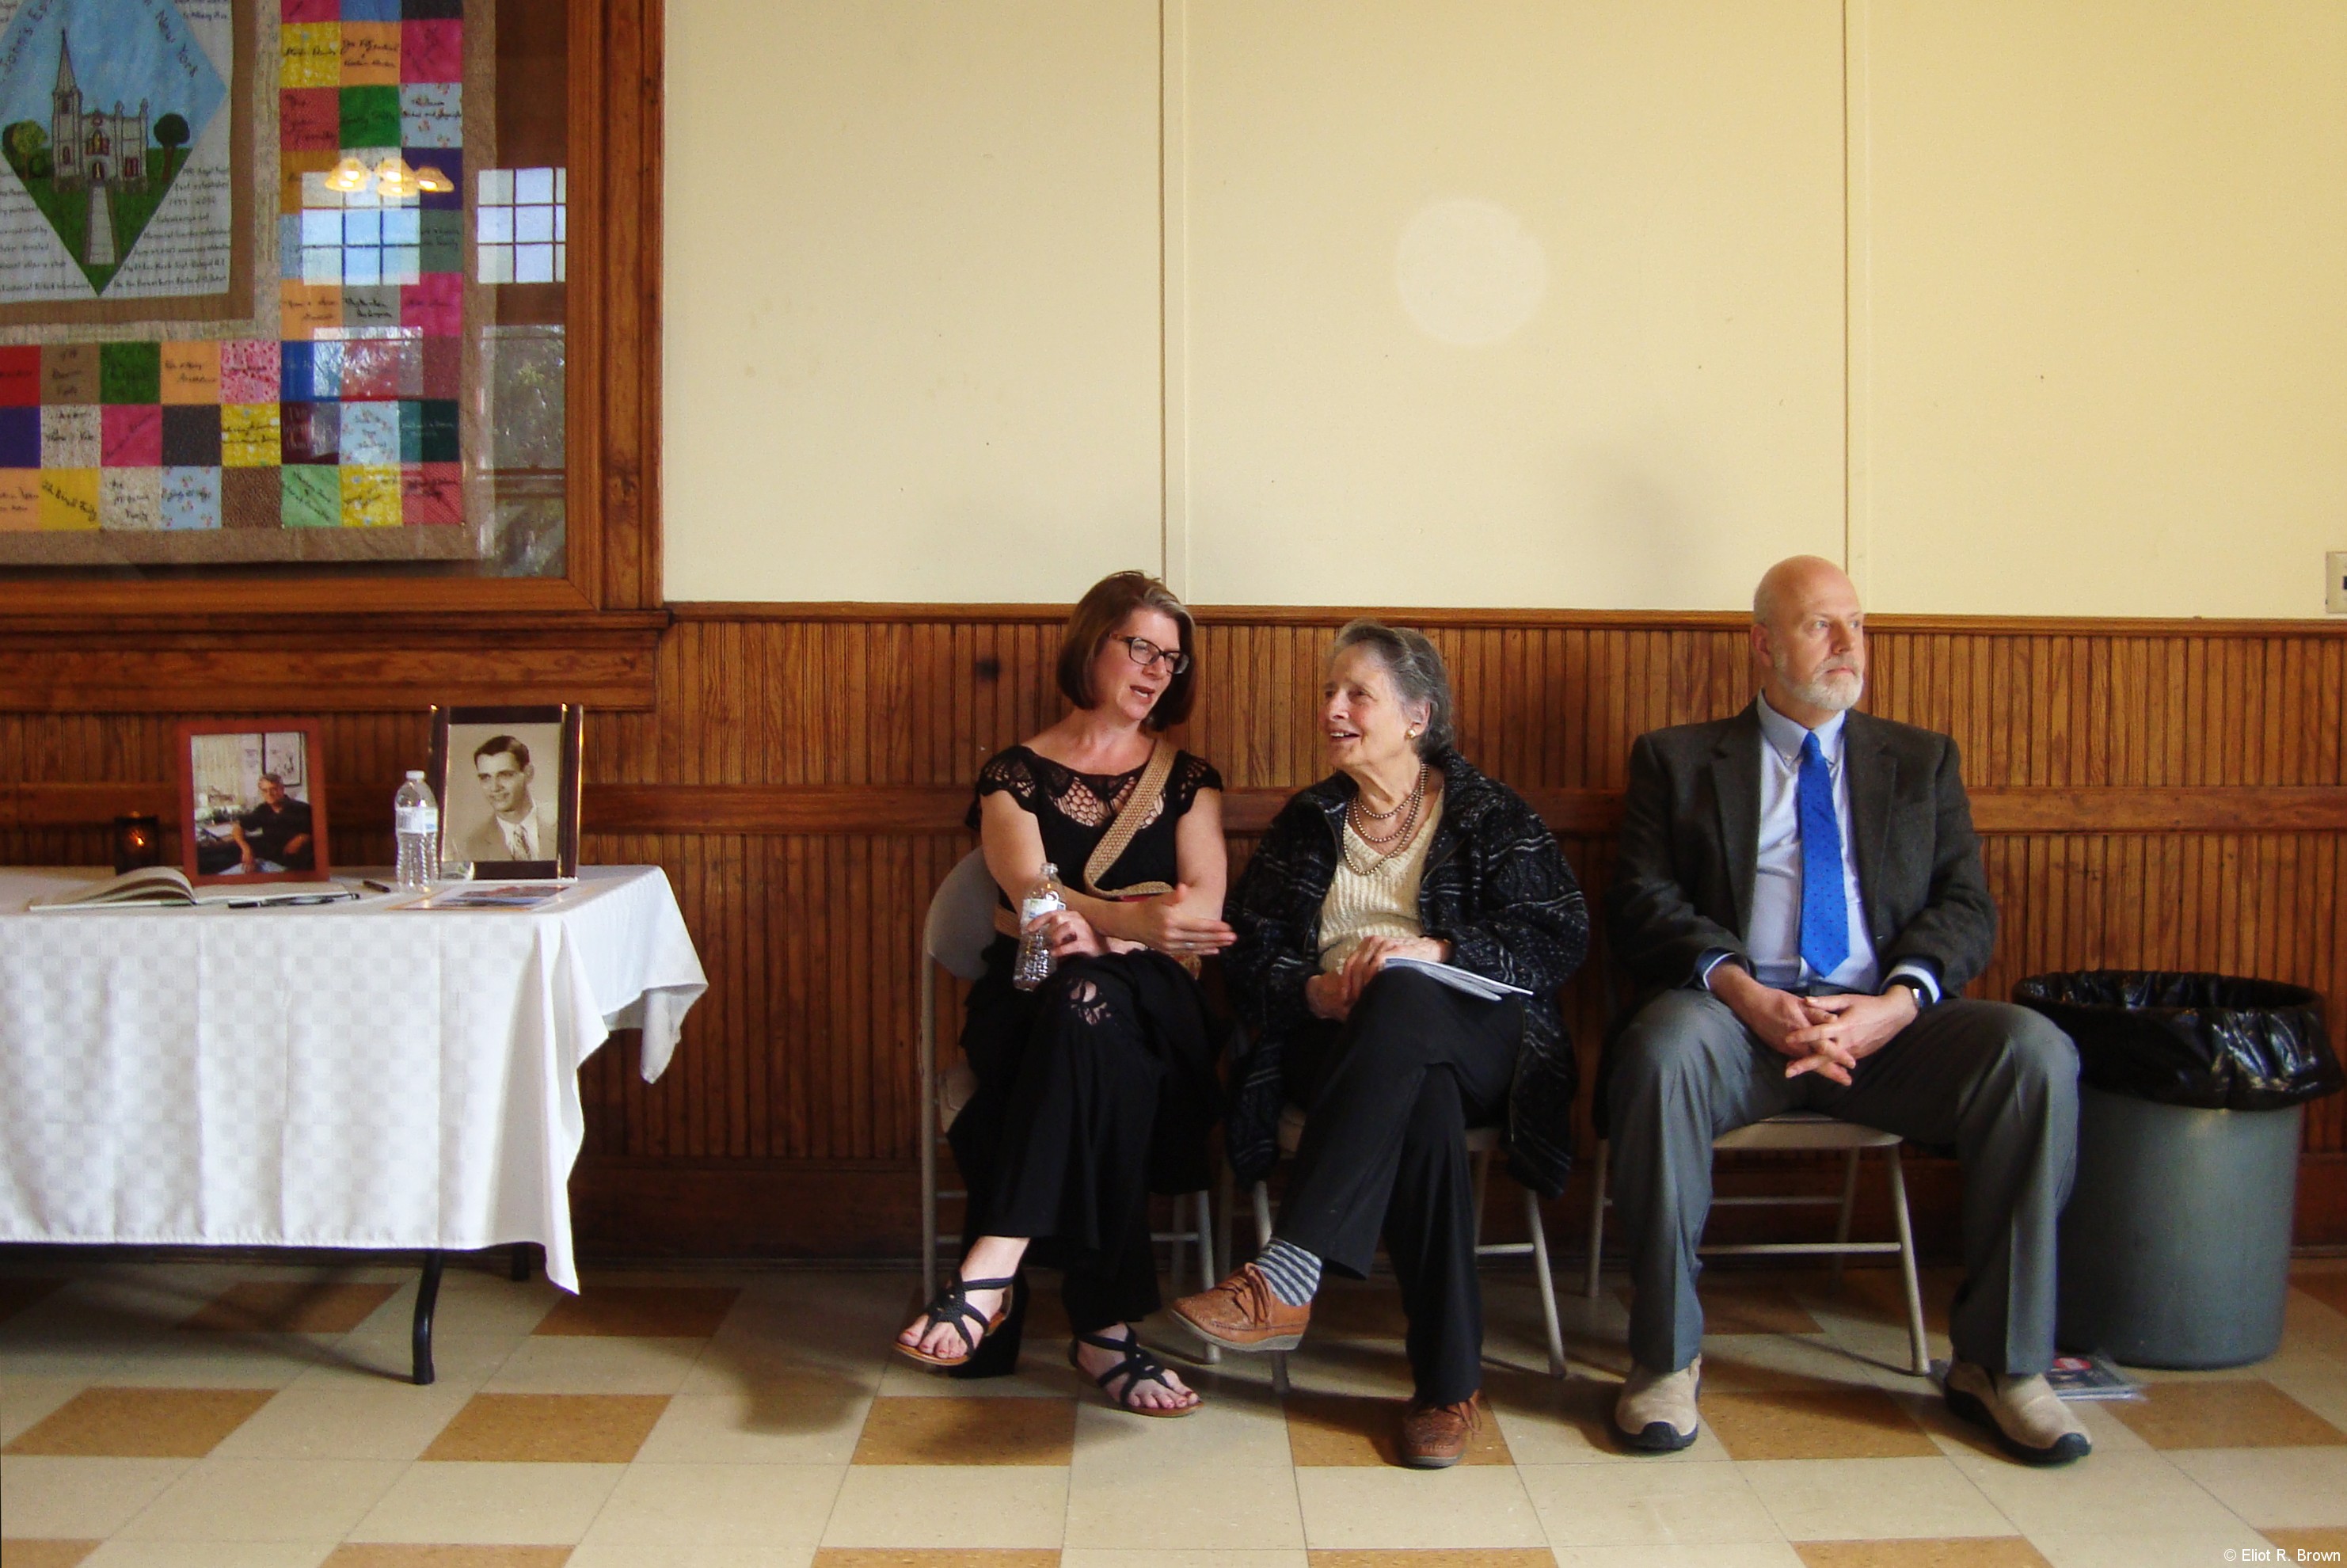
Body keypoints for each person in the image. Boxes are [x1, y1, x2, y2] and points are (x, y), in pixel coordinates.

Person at [1603, 554, 2086, 1464]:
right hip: (1739, 1026)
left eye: (1857, 624)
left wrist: (1896, 1005)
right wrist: (1746, 994)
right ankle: (1665, 1360)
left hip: (1886, 1029)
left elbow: (1964, 906)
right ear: (1762, 644)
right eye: (1822, 624)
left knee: (2036, 1054)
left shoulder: (1921, 759)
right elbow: (1643, 899)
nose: (1848, 643)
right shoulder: (1676, 759)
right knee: (1659, 1054)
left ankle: (2004, 1366)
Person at [1170, 622, 1588, 1467]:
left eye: (1356, 693)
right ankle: (1447, 1389)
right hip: (1341, 1041)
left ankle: (1288, 1270)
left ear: (1417, 715)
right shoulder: (1309, 822)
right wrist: (1315, 990)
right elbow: (1247, 949)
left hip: (1478, 1036)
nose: (1332, 709)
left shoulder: (1488, 813)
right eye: (1330, 692)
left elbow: (1560, 936)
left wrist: (1436, 952)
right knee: (1417, 1100)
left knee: (1404, 995)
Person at [896, 570, 1238, 1417]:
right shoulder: (1012, 775)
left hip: (1161, 1004)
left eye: (1172, 657)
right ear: (1093, 646)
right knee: (1087, 1017)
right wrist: (1116, 918)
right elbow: (1026, 890)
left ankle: (991, 1266)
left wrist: (1114, 935)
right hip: (1032, 995)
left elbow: (1199, 914)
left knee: (1096, 1003)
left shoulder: (1190, 777)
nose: (1158, 668)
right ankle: (1104, 1333)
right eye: (1140, 647)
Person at [458, 735, 561, 862]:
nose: (495, 787)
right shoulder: (471, 848)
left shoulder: (562, 823)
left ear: (528, 773)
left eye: (505, 775)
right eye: (486, 777)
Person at [226, 774, 314, 873]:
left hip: (296, 866)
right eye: (265, 791)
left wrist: (303, 837)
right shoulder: (262, 810)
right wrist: (245, 848)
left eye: (274, 789)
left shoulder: (302, 808)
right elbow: (238, 827)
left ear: (282, 789)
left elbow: (316, 832)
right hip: (269, 862)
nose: (269, 794)